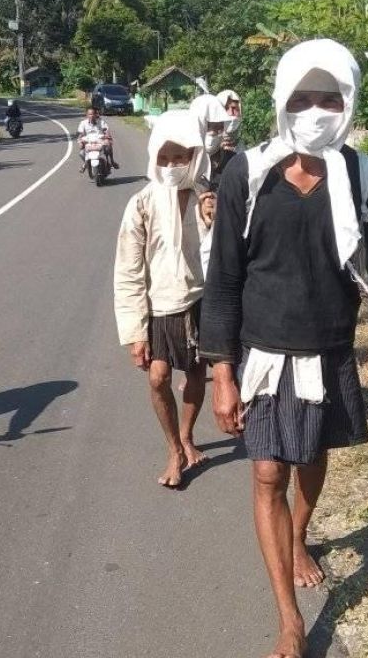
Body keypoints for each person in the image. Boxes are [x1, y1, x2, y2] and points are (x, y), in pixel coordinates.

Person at [200, 40, 368, 658]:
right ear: (281, 100)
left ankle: (300, 533)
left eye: (330, 98)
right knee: (270, 470)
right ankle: (289, 620)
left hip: (329, 351)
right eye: (302, 98)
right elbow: (224, 279)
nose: (316, 110)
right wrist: (221, 371)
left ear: (348, 103)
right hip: (261, 354)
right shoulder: (247, 172)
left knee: (313, 458)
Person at [114, 110, 211, 488]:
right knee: (158, 377)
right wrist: (134, 332)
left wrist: (212, 221)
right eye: (164, 158)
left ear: (194, 156)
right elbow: (128, 269)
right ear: (154, 157)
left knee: (197, 375)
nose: (172, 165)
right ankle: (173, 449)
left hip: (201, 302)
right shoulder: (141, 203)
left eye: (180, 157)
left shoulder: (210, 196)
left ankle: (187, 437)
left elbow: (228, 254)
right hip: (159, 307)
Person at [76, 106, 119, 171]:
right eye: (90, 114)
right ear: (87, 115)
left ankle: (112, 161)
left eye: (93, 114)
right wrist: (80, 140)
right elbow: (80, 133)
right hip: (88, 141)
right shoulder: (83, 123)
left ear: (96, 114)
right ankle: (85, 164)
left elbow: (106, 130)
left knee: (108, 146)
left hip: (100, 140)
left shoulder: (101, 122)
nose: (92, 116)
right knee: (81, 153)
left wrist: (107, 136)